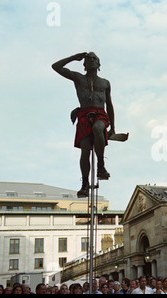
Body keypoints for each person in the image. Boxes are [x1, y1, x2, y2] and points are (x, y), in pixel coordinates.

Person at [52, 52, 116, 197]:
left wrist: (113, 127)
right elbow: (55, 66)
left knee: (98, 127)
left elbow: (110, 105)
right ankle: (85, 184)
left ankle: (101, 165)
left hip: (100, 114)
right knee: (85, 149)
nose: (92, 60)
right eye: (89, 59)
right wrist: (74, 57)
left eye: (95, 59)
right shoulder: (79, 78)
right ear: (84, 64)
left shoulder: (105, 83)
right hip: (84, 114)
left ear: (99, 65)